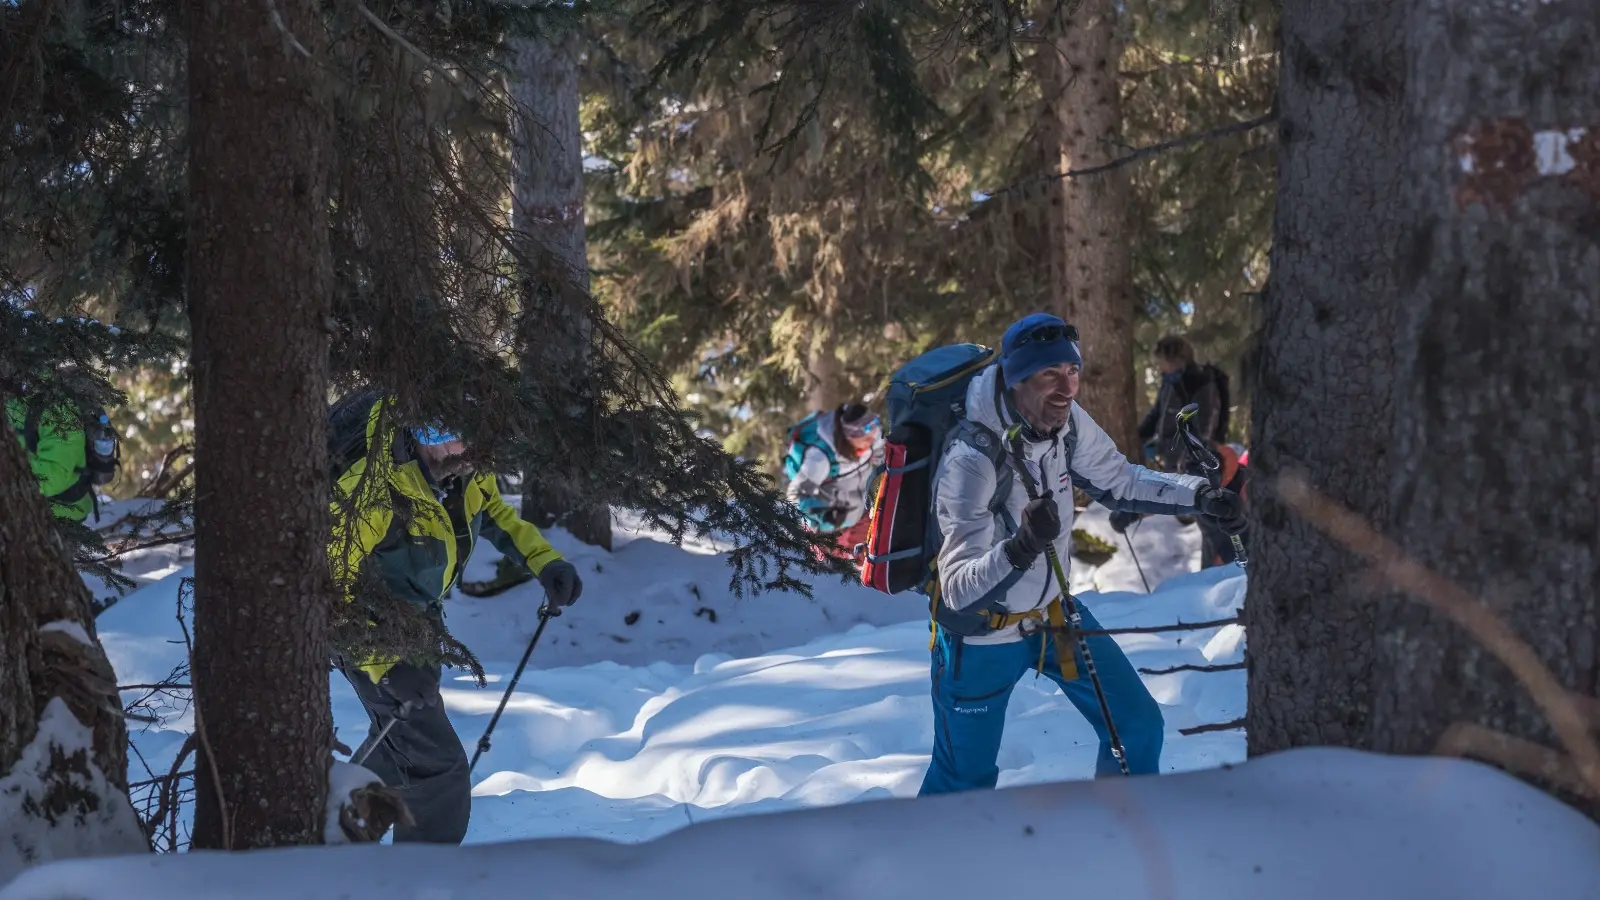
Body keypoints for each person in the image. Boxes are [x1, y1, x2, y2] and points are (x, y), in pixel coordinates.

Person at [920, 313, 1246, 795]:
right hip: (981, 640)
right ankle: (933, 868)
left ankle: (1118, 846)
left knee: (1135, 729)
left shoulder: (1067, 423)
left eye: (1071, 372)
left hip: (1056, 619)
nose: (1065, 387)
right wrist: (1021, 547)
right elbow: (958, 587)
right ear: (1016, 379)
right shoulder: (971, 457)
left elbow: (1123, 479)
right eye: (1048, 374)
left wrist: (1199, 496)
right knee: (962, 782)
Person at [328, 398, 583, 844]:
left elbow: (496, 517)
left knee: (399, 744)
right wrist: (384, 667)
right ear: (420, 435)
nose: (461, 449)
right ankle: (426, 883)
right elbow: (330, 589)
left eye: (467, 435)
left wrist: (545, 562)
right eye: (446, 435)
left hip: (419, 624)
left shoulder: (464, 470)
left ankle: (336, 825)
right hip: (366, 629)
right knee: (436, 768)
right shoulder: (371, 489)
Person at [6, 383, 119, 523]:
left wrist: (7, 483)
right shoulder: (10, 399)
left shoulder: (56, 406)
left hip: (61, 514)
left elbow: (55, 475)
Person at [783, 401, 884, 557]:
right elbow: (795, 495)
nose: (872, 435)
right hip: (826, 521)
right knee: (835, 570)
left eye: (873, 424)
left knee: (871, 553)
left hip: (857, 511)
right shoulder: (819, 457)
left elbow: (880, 455)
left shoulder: (871, 436)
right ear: (849, 435)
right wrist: (821, 519)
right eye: (866, 430)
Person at [1136, 334, 1224, 472]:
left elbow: (1201, 431)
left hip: (1190, 465)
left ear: (1175, 359)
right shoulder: (1169, 383)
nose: (1160, 368)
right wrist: (1140, 436)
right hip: (1171, 461)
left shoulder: (1200, 384)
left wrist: (1181, 458)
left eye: (1162, 363)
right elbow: (1156, 414)